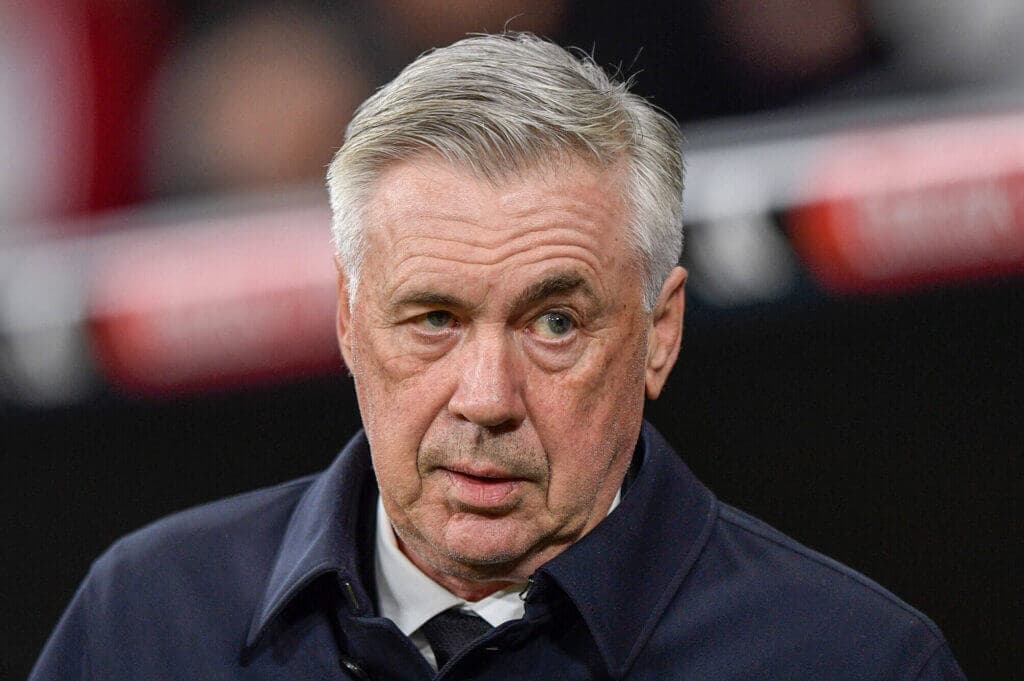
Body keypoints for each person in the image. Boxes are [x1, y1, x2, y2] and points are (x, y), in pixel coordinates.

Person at [30, 33, 965, 680]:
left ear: (660, 334)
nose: (486, 399)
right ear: (350, 322)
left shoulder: (853, 659)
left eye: (554, 323)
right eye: (433, 317)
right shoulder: (147, 618)